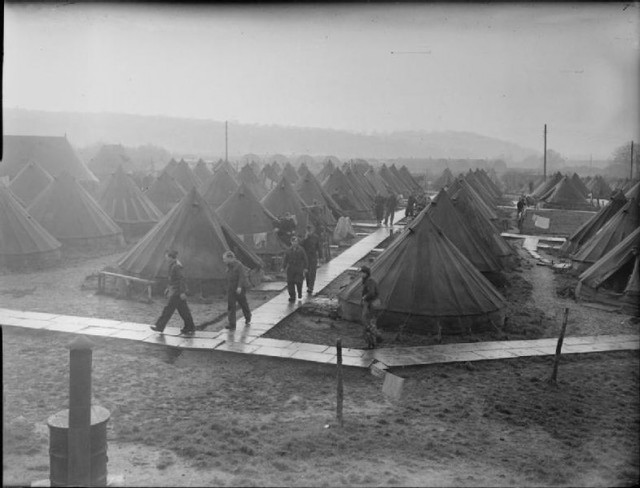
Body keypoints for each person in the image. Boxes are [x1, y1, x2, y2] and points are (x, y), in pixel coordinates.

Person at [150, 250, 196, 335]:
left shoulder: (177, 266)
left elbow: (182, 279)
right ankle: (190, 326)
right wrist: (168, 288)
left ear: (171, 257)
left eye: (167, 256)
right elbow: (172, 279)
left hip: (177, 292)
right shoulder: (172, 265)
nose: (165, 258)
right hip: (175, 290)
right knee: (183, 311)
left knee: (168, 309)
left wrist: (182, 292)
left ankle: (159, 326)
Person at [223, 250, 251, 330]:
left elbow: (242, 276)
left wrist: (239, 287)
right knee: (231, 306)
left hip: (239, 288)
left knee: (243, 303)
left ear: (230, 258)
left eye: (224, 259)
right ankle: (232, 324)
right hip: (231, 289)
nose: (223, 260)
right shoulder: (228, 266)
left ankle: (248, 317)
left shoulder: (239, 265)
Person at [360, 266, 383, 349]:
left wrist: (364, 298)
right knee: (370, 323)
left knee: (368, 323)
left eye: (362, 272)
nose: (361, 274)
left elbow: (371, 293)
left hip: (372, 304)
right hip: (374, 304)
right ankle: (374, 340)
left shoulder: (370, 281)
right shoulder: (368, 281)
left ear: (366, 273)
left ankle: (375, 339)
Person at [282, 235, 308, 302]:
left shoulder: (301, 250)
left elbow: (305, 259)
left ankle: (299, 293)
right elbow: (285, 259)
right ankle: (292, 296)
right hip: (291, 269)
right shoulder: (288, 250)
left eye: (296, 242)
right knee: (290, 283)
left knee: (298, 282)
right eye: (293, 242)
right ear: (291, 242)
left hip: (299, 268)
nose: (295, 243)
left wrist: (305, 267)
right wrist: (283, 267)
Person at [301, 225, 323, 295]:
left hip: (313, 257)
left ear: (312, 231)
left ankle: (311, 287)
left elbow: (319, 247)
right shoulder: (304, 238)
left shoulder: (316, 237)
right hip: (306, 257)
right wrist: (305, 238)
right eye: (308, 230)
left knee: (312, 273)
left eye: (310, 230)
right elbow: (301, 246)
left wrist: (320, 256)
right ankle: (308, 285)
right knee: (307, 272)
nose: (309, 232)